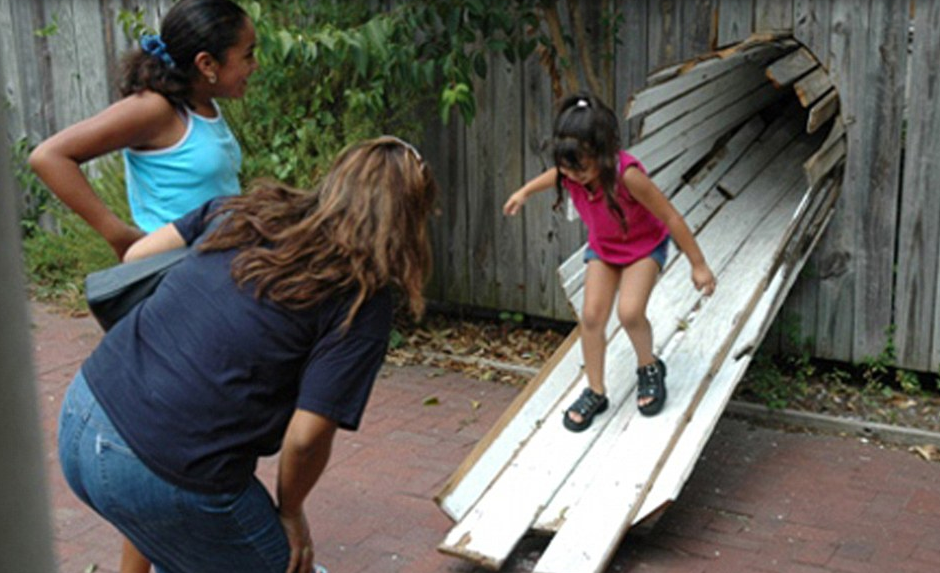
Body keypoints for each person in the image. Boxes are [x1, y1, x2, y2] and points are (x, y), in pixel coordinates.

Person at [57, 136, 437, 573]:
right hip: (164, 468)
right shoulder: (359, 298)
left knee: (180, 543)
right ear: (411, 219)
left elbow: (138, 256)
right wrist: (290, 511)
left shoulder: (239, 211)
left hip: (82, 415)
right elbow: (307, 437)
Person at [504, 92, 716, 432]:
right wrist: (524, 192)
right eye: (567, 168)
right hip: (604, 249)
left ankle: (649, 366)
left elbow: (672, 218)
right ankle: (595, 390)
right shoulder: (569, 170)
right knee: (591, 316)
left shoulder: (628, 176)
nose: (573, 177)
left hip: (644, 247)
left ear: (602, 153)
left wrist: (698, 264)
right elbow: (554, 177)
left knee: (629, 312)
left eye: (581, 168)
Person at [29, 0, 258, 261]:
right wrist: (118, 234)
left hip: (215, 262)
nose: (255, 65)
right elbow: (48, 157)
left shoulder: (203, 104)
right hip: (176, 272)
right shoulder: (156, 109)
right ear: (207, 64)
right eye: (248, 55)